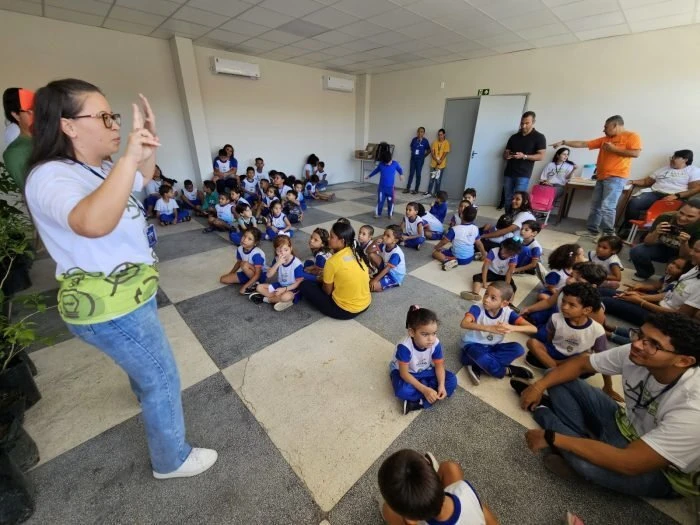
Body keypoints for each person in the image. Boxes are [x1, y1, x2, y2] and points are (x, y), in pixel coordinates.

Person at [23, 79, 216, 478]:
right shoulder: (51, 176)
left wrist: (146, 148)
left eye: (113, 116)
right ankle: (171, 460)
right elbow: (91, 222)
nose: (115, 125)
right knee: (162, 375)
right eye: (104, 117)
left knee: (146, 367)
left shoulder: (99, 168)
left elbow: (139, 182)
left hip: (131, 294)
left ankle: (143, 393)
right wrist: (129, 158)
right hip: (109, 305)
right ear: (68, 126)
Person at [514, 312, 700, 500]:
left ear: (683, 361)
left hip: (662, 471)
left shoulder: (693, 408)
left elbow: (631, 463)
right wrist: (538, 386)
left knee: (586, 465)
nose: (637, 344)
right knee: (554, 376)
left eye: (654, 345)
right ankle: (578, 446)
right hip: (625, 424)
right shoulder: (636, 352)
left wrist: (552, 437)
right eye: (640, 335)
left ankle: (544, 414)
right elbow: (581, 364)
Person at [551, 115, 642, 238]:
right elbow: (583, 143)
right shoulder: (605, 139)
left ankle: (608, 235)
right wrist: (564, 142)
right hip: (601, 177)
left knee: (608, 207)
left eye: (606, 127)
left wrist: (614, 149)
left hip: (616, 177)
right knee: (595, 206)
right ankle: (592, 231)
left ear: (615, 125)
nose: (603, 130)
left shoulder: (632, 136)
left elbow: (636, 153)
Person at [378, 449, 497, 525]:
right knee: (450, 468)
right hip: (460, 505)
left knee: (388, 510)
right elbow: (485, 514)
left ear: (411, 520)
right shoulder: (464, 489)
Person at [602, 238, 700, 324]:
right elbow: (668, 294)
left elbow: (680, 316)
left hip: (663, 318)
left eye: (696, 251)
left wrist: (641, 302)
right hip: (657, 304)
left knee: (604, 301)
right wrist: (640, 296)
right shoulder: (695, 268)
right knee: (605, 292)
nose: (691, 253)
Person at [461, 281, 536, 385]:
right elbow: (464, 323)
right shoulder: (477, 308)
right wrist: (489, 328)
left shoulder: (508, 313)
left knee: (518, 349)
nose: (486, 299)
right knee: (479, 356)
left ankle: (478, 366)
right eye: (486, 294)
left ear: (504, 303)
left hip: (493, 347)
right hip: (473, 345)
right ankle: (507, 370)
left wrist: (512, 327)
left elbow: (533, 329)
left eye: (493, 298)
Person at [390, 306, 457, 414]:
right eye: (425, 334)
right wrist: (424, 390)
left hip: (425, 370)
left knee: (452, 379)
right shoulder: (404, 347)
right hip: (406, 373)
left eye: (434, 333)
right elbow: (404, 374)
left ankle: (418, 402)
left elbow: (439, 365)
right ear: (412, 332)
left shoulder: (435, 343)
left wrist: (441, 385)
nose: (431, 339)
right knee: (402, 390)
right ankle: (427, 394)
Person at [299, 221, 371, 319]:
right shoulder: (355, 251)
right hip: (366, 303)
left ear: (342, 241)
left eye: (332, 237)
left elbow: (327, 292)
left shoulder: (332, 262)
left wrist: (321, 279)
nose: (329, 239)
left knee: (305, 285)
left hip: (346, 311)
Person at [629, 199, 700, 280]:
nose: (682, 218)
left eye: (690, 216)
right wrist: (656, 232)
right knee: (637, 250)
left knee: (683, 265)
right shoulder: (666, 217)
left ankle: (672, 282)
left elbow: (687, 256)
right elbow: (647, 242)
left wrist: (684, 243)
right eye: (681, 213)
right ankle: (644, 273)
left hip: (683, 254)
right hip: (662, 247)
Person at [625, 149, 700, 223]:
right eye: (672, 157)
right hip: (654, 193)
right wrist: (631, 181)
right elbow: (646, 181)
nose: (671, 160)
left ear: (685, 160)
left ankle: (656, 229)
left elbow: (695, 189)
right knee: (634, 203)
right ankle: (628, 227)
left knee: (665, 212)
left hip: (675, 196)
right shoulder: (664, 169)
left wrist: (677, 196)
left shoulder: (693, 170)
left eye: (675, 158)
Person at [502, 111, 547, 214]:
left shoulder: (539, 137)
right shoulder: (514, 137)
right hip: (509, 172)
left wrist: (524, 156)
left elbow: (541, 156)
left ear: (533, 122)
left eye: (527, 123)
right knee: (508, 198)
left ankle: (516, 219)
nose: (523, 126)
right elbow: (505, 153)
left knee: (519, 200)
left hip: (523, 174)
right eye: (522, 123)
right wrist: (507, 155)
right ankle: (507, 218)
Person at [248, 235, 303, 312]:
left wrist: (284, 289)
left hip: (292, 288)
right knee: (259, 287)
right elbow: (268, 275)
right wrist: (278, 263)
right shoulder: (277, 259)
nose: (283, 253)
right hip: (280, 285)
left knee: (285, 297)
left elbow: (298, 283)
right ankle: (280, 299)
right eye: (279, 251)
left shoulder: (296, 264)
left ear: (291, 248)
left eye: (286, 250)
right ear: (276, 251)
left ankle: (266, 299)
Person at [432, 205, 484, 271]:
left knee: (435, 253)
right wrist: (484, 254)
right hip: (470, 257)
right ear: (475, 218)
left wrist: (437, 247)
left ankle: (447, 261)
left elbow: (444, 241)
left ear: (461, 215)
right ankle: (476, 256)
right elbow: (479, 244)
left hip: (459, 259)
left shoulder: (454, 229)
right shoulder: (475, 228)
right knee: (451, 248)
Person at [2, 87, 34, 189]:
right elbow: (31, 191)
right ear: (16, 115)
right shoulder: (15, 153)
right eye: (29, 111)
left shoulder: (54, 139)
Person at [219, 227, 267, 294]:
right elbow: (238, 263)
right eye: (244, 236)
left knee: (244, 264)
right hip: (246, 272)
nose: (245, 240)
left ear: (255, 243)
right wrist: (231, 273)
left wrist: (244, 287)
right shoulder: (240, 249)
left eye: (249, 239)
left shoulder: (256, 254)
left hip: (260, 276)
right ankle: (250, 283)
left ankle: (255, 284)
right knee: (223, 279)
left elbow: (257, 274)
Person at [366, 144, 403, 218]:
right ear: (383, 161)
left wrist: (401, 174)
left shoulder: (395, 163)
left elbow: (399, 169)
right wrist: (369, 176)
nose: (389, 163)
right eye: (387, 163)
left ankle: (390, 214)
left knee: (390, 202)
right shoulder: (381, 165)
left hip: (390, 189)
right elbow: (376, 171)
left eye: (390, 161)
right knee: (380, 201)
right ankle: (378, 213)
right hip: (382, 188)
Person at [371, 225, 406, 292]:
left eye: (388, 236)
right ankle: (378, 275)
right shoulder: (384, 245)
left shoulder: (396, 254)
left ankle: (388, 284)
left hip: (394, 276)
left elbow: (387, 269)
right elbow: (369, 251)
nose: (384, 237)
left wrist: (375, 280)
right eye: (384, 234)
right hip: (386, 268)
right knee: (372, 254)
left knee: (372, 287)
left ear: (395, 241)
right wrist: (374, 242)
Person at [404, 126, 431, 194]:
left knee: (418, 174)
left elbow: (429, 150)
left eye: (421, 132)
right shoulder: (414, 139)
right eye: (419, 131)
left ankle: (416, 190)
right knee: (411, 173)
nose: (420, 133)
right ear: (417, 132)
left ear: (423, 133)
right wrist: (414, 153)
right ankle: (408, 188)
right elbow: (411, 147)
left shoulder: (425, 141)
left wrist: (424, 156)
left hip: (420, 160)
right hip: (413, 159)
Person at [425, 129, 450, 197]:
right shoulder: (434, 142)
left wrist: (440, 161)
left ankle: (436, 194)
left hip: (441, 165)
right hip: (433, 164)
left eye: (441, 135)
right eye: (439, 135)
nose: (440, 136)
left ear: (444, 134)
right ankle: (429, 192)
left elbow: (445, 153)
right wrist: (436, 160)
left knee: (438, 180)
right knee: (431, 179)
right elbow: (432, 153)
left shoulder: (446, 143)